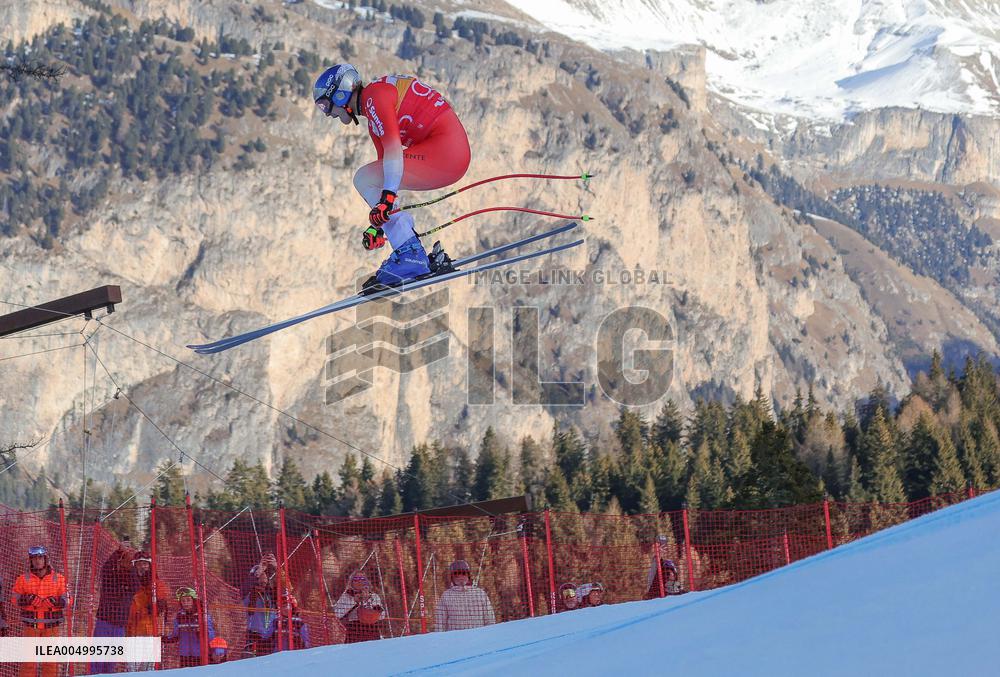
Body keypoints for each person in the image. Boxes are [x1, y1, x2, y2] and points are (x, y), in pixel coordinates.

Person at [312, 64, 472, 289]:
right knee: (371, 177)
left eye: (325, 106)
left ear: (340, 94)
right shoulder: (373, 106)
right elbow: (387, 176)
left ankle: (410, 254)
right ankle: (410, 251)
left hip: (446, 153)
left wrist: (386, 201)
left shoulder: (374, 97)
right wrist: (378, 224)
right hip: (448, 153)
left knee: (364, 178)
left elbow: (394, 154)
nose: (328, 114)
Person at [11, 546, 68, 677]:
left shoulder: (58, 578)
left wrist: (57, 601)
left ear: (45, 559)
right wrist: (27, 599)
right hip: (31, 627)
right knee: (29, 663)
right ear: (30, 561)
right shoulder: (23, 579)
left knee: (50, 662)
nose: (37, 561)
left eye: (40, 558)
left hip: (51, 628)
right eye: (34, 558)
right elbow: (14, 599)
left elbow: (67, 599)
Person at [91, 544, 140, 674]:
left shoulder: (131, 581)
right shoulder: (110, 578)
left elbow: (136, 586)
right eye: (124, 561)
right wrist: (118, 552)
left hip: (119, 625)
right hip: (104, 621)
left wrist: (131, 567)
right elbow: (106, 568)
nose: (125, 564)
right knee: (98, 656)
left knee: (111, 660)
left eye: (129, 562)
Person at [124, 551, 167, 672]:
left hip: (149, 629)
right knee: (131, 665)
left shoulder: (156, 584)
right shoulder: (128, 582)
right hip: (131, 628)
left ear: (149, 566)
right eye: (139, 564)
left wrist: (153, 607)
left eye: (145, 564)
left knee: (147, 665)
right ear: (135, 565)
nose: (142, 567)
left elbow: (161, 604)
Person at [161, 587, 216, 668]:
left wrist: (202, 633)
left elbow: (211, 636)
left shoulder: (203, 615)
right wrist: (166, 639)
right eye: (183, 601)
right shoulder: (179, 617)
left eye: (188, 600)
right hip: (185, 655)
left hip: (201, 654)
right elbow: (176, 635)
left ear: (193, 601)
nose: (185, 603)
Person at [433, 560, 495, 632]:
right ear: (452, 577)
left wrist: (490, 636)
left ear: (468, 575)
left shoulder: (480, 594)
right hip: (456, 639)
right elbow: (440, 624)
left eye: (463, 573)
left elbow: (490, 619)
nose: (460, 577)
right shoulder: (446, 596)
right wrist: (440, 640)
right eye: (456, 574)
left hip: (478, 638)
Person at [240, 552, 279, 657]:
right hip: (254, 635)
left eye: (265, 574)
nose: (264, 576)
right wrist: (260, 569)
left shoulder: (270, 595)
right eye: (261, 574)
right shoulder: (250, 594)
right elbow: (246, 587)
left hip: (270, 637)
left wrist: (277, 568)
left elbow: (286, 589)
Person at [332, 573, 385, 644]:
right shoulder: (347, 595)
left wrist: (369, 603)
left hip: (372, 629)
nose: (359, 581)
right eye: (356, 579)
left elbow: (382, 616)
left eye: (362, 579)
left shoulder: (373, 596)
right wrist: (353, 601)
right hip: (354, 630)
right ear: (352, 582)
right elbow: (337, 613)